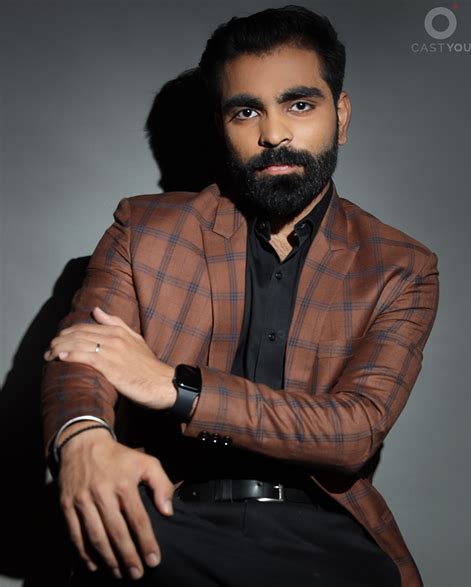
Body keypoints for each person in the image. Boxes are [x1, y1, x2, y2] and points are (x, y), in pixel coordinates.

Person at [42, 6, 439, 587]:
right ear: (220, 125)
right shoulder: (144, 228)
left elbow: (354, 430)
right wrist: (82, 439)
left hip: (322, 535)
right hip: (174, 514)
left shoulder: (401, 266)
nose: (273, 134)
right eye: (247, 111)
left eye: (299, 105)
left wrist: (176, 387)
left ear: (341, 116)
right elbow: (82, 355)